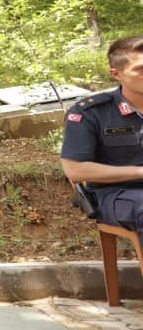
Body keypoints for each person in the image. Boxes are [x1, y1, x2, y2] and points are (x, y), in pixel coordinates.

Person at [61, 36, 143, 237]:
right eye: (141, 70)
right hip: (116, 194)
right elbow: (75, 169)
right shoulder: (91, 112)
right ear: (117, 74)